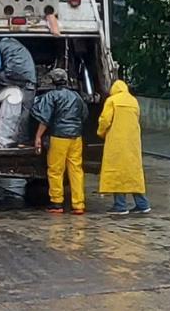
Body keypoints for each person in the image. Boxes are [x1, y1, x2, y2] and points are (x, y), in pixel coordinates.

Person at [32, 68, 88, 215]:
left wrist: (38, 137)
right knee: (76, 170)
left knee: (56, 170)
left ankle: (57, 203)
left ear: (52, 81)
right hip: (76, 137)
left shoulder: (51, 96)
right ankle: (79, 204)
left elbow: (44, 119)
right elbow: (84, 114)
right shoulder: (76, 96)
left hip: (59, 136)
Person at [97, 80, 150, 215]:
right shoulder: (133, 101)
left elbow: (105, 120)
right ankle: (142, 204)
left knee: (117, 172)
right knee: (133, 173)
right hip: (133, 142)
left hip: (116, 142)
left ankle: (120, 205)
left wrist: (101, 133)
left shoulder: (112, 101)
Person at [0, 38, 36, 145]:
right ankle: (23, 139)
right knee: (26, 111)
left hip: (11, 77)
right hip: (30, 80)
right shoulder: (18, 44)